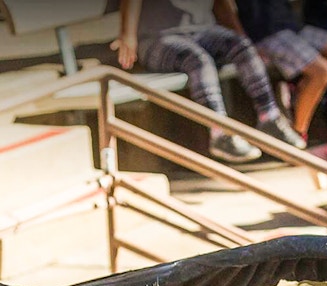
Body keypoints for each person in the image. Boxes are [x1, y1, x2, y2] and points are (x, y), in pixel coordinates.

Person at [110, 0, 307, 164]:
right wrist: (128, 35)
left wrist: (240, 35)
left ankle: (269, 118)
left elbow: (222, 5)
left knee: (242, 47)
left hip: (202, 31)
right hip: (157, 39)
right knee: (199, 61)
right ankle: (219, 133)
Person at [233, 0, 327, 140]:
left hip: (290, 25)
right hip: (265, 32)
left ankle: (300, 88)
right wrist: (243, 43)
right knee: (321, 72)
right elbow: (223, 7)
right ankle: (298, 132)